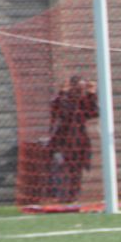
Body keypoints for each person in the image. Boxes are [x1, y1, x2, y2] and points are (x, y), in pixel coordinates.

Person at [48, 74, 98, 202]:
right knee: (61, 168)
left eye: (82, 88)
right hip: (62, 140)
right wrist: (63, 92)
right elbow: (60, 111)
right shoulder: (63, 99)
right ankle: (58, 195)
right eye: (77, 87)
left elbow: (93, 113)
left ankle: (73, 196)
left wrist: (91, 94)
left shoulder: (83, 101)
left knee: (76, 170)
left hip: (79, 141)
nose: (80, 91)